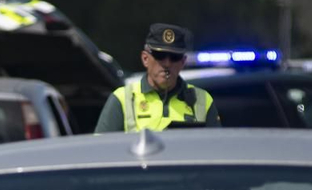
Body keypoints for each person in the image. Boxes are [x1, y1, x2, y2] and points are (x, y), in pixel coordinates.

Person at [93, 23, 222, 132]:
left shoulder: (203, 100)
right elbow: (102, 149)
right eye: (160, 55)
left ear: (183, 62)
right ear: (145, 59)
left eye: (174, 57)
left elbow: (215, 148)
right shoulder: (122, 99)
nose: (167, 63)